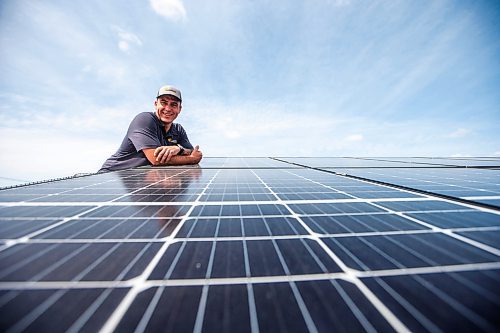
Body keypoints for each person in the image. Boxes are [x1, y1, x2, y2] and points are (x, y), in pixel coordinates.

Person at [99, 85, 202, 172]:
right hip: (113, 176)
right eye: (164, 102)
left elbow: (192, 151)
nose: (168, 109)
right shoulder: (145, 119)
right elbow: (156, 159)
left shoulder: (178, 129)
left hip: (142, 178)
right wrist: (192, 159)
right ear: (156, 104)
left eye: (174, 105)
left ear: (179, 109)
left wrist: (179, 149)